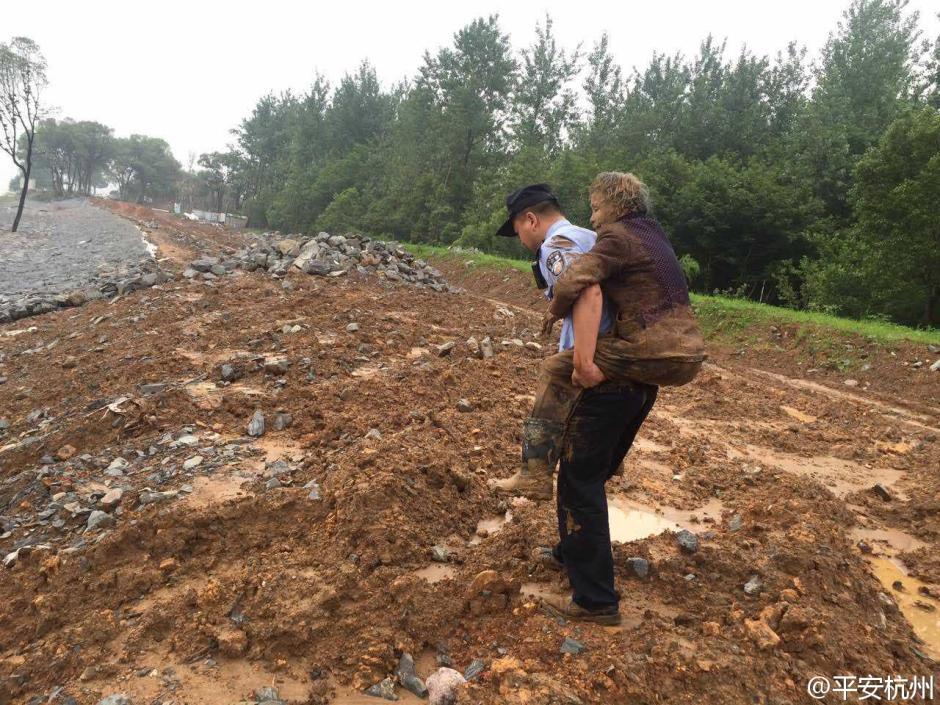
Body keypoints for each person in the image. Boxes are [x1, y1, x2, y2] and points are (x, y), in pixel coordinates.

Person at [489, 183, 613, 502]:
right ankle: (574, 551)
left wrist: (583, 361)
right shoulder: (589, 237)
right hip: (618, 351)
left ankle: (533, 473)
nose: (521, 241)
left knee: (577, 478)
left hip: (597, 360)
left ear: (531, 220)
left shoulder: (555, 246)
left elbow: (586, 291)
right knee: (585, 475)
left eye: (518, 231)